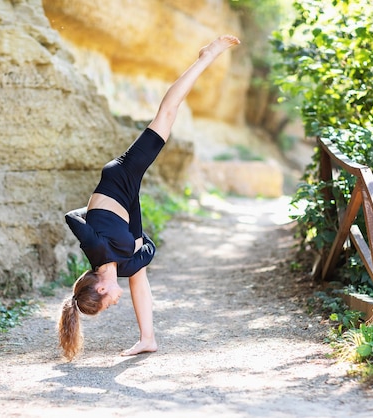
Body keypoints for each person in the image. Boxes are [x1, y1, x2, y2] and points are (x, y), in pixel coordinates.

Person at [58, 35, 241, 360]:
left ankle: (206, 56)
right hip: (130, 208)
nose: (114, 304)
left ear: (100, 288)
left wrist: (94, 207)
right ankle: (148, 338)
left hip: (119, 178)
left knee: (166, 115)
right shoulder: (124, 265)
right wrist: (140, 243)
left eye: (106, 304)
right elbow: (150, 249)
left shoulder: (96, 250)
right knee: (135, 272)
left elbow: (72, 218)